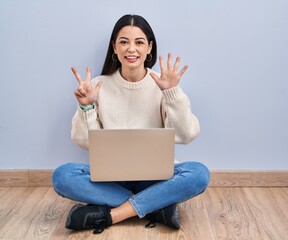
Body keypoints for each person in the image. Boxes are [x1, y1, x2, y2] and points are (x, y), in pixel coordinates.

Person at [52, 14, 210, 234]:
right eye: (124, 42)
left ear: (149, 48)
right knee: (62, 176)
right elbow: (84, 141)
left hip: (155, 179)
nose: (131, 49)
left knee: (199, 173)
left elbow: (187, 134)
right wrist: (86, 108)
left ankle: (112, 214)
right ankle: (155, 207)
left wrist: (172, 93)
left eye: (139, 42)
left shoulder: (163, 85)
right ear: (114, 48)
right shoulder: (97, 86)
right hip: (111, 180)